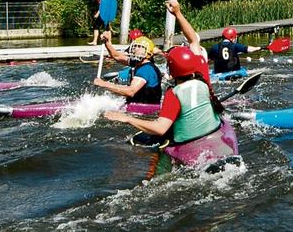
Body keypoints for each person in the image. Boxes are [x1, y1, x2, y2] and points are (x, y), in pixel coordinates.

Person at [105, 21, 238, 167]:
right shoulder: (203, 83)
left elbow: (160, 128)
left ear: (171, 70)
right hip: (214, 132)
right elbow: (194, 40)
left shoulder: (173, 93)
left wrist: (126, 119)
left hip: (187, 143)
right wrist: (177, 12)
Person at [93, 30, 162, 105]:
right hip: (137, 106)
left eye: (139, 47)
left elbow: (130, 91)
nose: (135, 49)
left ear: (148, 52)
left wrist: (104, 84)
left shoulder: (146, 69)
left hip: (145, 110)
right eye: (135, 46)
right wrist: (107, 42)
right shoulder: (137, 62)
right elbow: (117, 56)